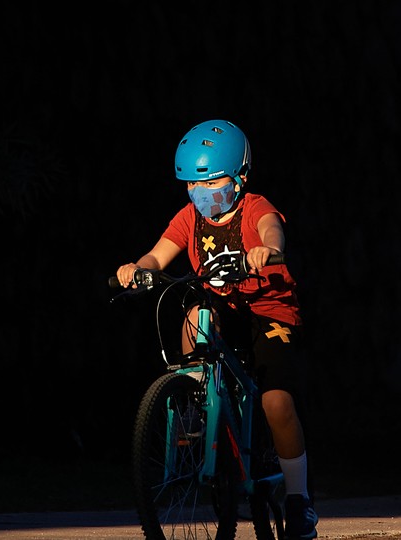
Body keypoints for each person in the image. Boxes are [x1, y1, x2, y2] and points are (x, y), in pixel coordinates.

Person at [115, 119, 318, 540]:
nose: (201, 193)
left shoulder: (255, 207)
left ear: (241, 177)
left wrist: (269, 249)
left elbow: (271, 228)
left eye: (213, 183)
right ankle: (192, 403)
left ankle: (299, 501)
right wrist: (137, 270)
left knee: (277, 403)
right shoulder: (188, 218)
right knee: (193, 317)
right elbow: (159, 255)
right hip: (221, 306)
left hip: (269, 311)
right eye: (192, 185)